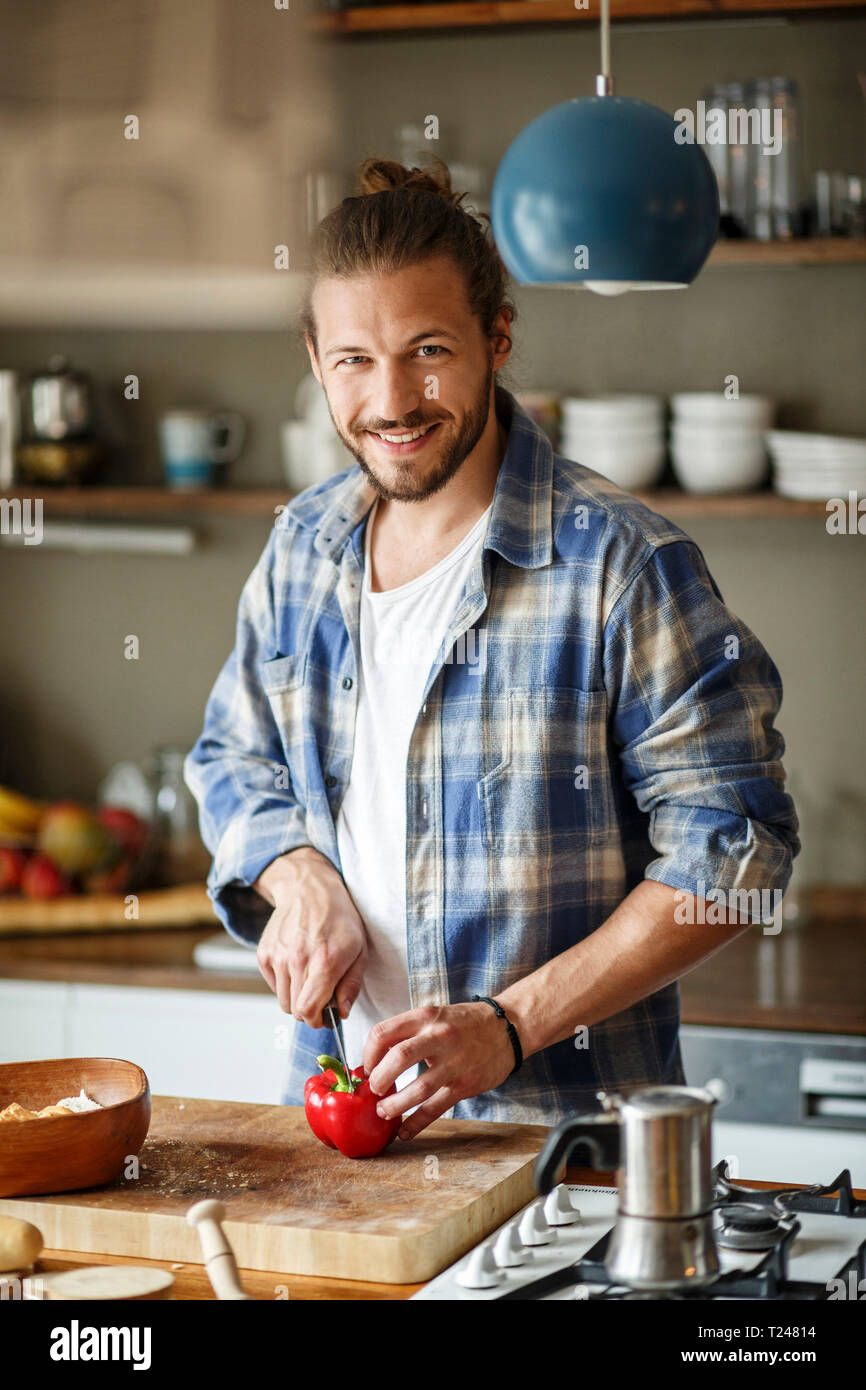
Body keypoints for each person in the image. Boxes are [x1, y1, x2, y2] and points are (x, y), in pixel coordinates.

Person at [185, 157, 799, 1140]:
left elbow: (732, 850)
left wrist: (508, 1025)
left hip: (560, 1154)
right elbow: (231, 755)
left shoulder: (622, 565)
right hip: (342, 1137)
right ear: (313, 358)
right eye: (353, 358)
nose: (390, 400)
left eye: (426, 349)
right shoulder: (302, 546)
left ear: (496, 338)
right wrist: (295, 871)